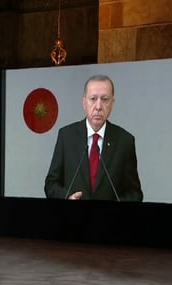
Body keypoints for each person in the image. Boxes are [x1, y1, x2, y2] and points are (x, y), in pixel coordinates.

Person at [44, 74, 143, 202]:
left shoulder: (125, 141)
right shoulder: (66, 136)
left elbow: (135, 193)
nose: (98, 106)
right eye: (93, 99)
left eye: (104, 99)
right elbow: (51, 184)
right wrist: (67, 197)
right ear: (84, 102)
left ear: (112, 103)